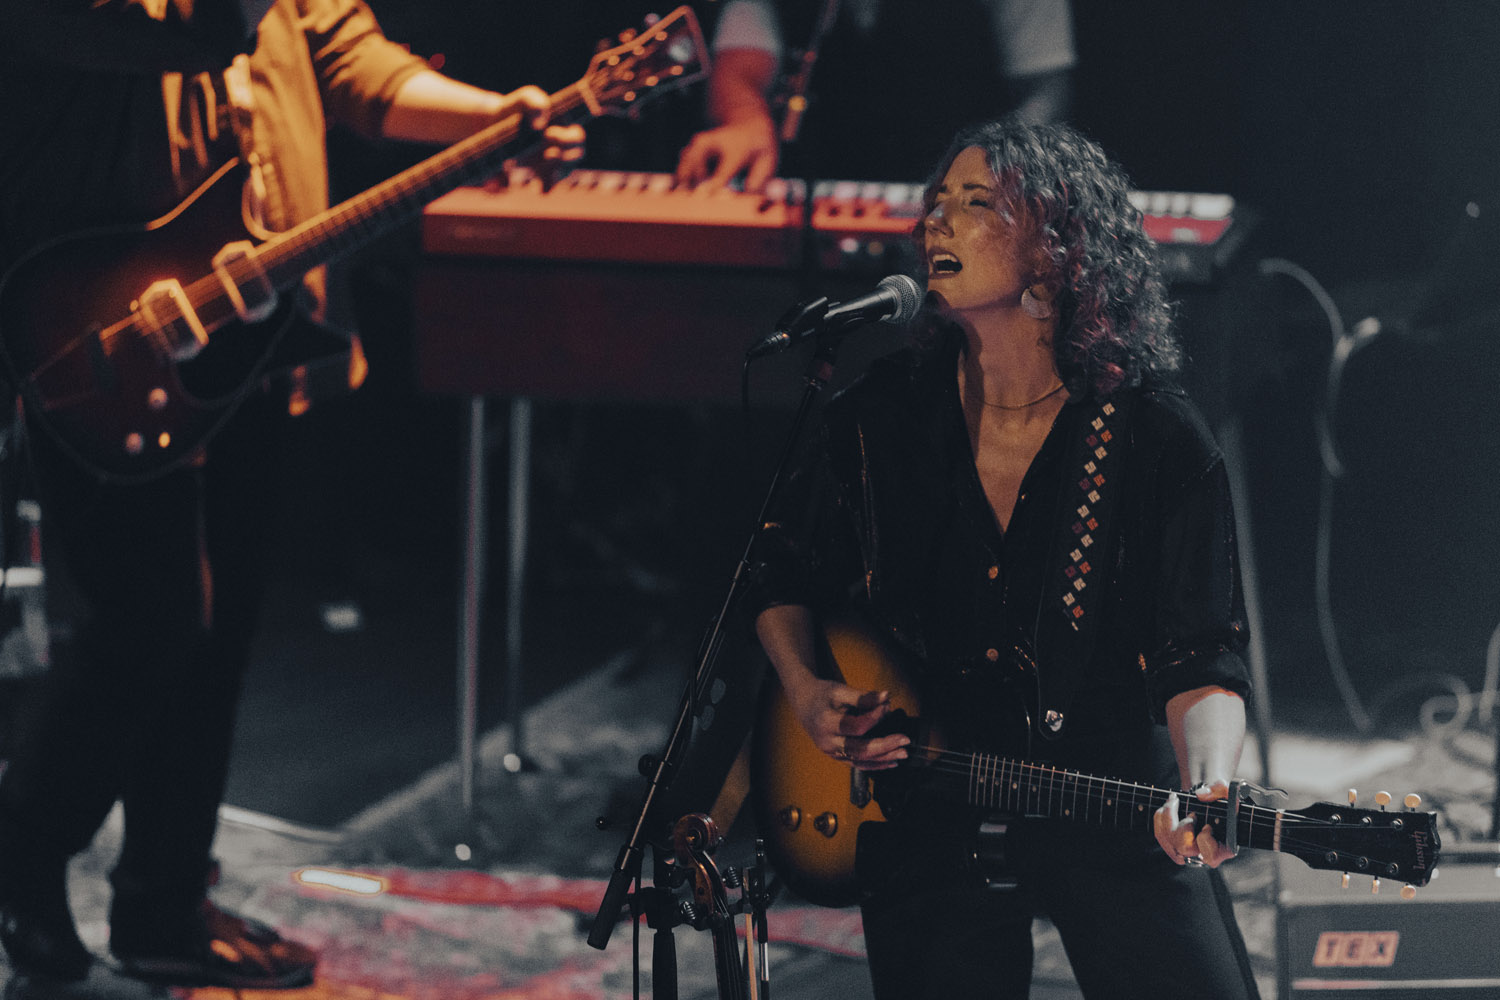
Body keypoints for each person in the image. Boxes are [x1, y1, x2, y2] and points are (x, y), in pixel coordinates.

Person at [0, 0, 580, 988]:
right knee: (149, 621)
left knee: (221, 633)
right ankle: (22, 854)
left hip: (254, 307)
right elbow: (169, 31)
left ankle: (164, 902)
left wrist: (488, 115)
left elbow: (348, 55)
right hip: (103, 313)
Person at [743, 117, 1261, 998]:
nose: (935, 222)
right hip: (930, 794)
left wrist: (1207, 787)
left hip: (1110, 795)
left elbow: (1201, 651)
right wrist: (806, 688)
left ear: (1056, 247)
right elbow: (778, 566)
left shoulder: (1154, 433)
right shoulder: (881, 416)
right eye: (937, 201)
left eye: (976, 203)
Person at [677, 0, 1076, 191]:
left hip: (964, 201)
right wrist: (745, 119)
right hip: (814, 202)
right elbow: (738, 71)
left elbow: (1046, 93)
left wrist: (993, 166)